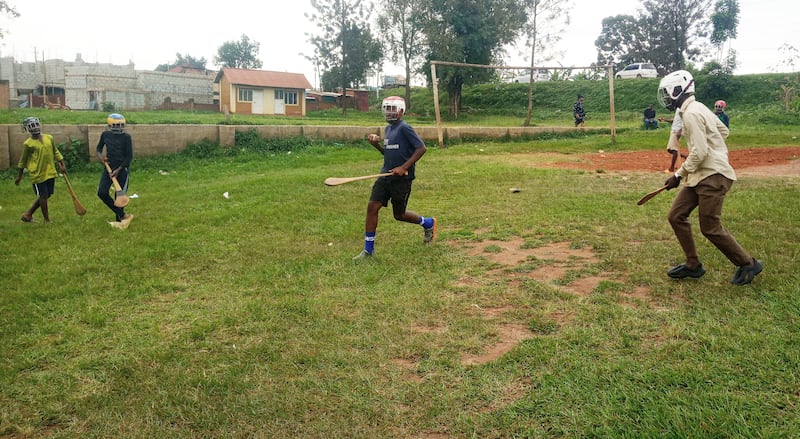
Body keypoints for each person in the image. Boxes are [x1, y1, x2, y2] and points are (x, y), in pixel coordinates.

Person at [657, 70, 762, 286]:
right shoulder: (698, 108)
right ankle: (693, 265)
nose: (666, 98)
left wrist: (677, 175)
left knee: (710, 227)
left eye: (667, 93)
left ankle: (748, 263)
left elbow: (700, 153)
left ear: (677, 90)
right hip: (700, 175)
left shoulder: (692, 113)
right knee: (676, 216)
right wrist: (713, 145)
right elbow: (722, 131)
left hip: (713, 176)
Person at [353, 96, 437, 259]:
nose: (389, 112)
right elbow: (389, 154)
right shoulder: (388, 129)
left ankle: (428, 223)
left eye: (392, 109)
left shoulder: (405, 128)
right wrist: (376, 145)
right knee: (372, 207)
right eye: (386, 108)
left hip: (402, 179)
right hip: (385, 176)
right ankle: (368, 251)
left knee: (399, 215)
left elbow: (421, 148)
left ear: (401, 111)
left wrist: (404, 167)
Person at [15, 117, 66, 223]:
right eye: (31, 126)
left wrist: (61, 163)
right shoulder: (28, 144)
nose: (35, 128)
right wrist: (19, 176)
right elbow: (23, 160)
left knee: (48, 195)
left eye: (36, 125)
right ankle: (47, 220)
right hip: (37, 174)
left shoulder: (49, 138)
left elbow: (55, 151)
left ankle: (28, 214)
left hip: (50, 171)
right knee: (43, 196)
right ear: (27, 129)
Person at [96, 113, 134, 229]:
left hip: (122, 169)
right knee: (102, 192)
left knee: (120, 196)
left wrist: (118, 170)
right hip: (108, 169)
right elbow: (98, 149)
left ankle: (120, 220)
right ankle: (123, 215)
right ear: (110, 125)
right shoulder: (105, 135)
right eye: (116, 125)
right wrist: (101, 157)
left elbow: (129, 157)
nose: (119, 128)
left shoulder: (126, 138)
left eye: (121, 125)